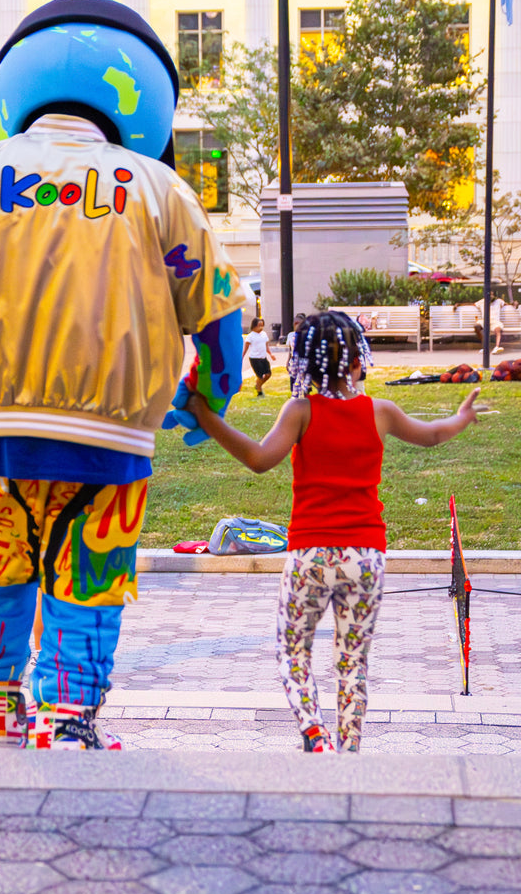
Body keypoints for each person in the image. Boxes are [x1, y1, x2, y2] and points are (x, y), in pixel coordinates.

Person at [0, 0, 244, 750]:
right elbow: (216, 311)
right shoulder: (161, 190)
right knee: (90, 579)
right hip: (113, 440)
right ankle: (69, 717)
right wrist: (207, 396)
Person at [187, 311, 480, 754]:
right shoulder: (380, 411)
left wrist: (205, 417)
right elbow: (433, 435)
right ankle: (349, 751)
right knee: (353, 662)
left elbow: (260, 459)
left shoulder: (299, 411)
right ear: (359, 361)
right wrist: (461, 417)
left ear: (305, 362)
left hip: (311, 556)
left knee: (293, 652)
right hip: (366, 557)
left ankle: (314, 735)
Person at [243, 316, 276, 397]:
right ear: (254, 326)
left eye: (262, 325)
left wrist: (271, 354)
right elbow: (246, 348)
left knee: (268, 374)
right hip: (255, 359)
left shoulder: (264, 334)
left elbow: (266, 346)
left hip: (263, 358)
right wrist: (242, 357)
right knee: (260, 376)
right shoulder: (250, 336)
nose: (261, 327)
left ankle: (258, 385)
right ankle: (259, 391)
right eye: (259, 325)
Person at [285, 313, 306, 392]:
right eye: (295, 323)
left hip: (303, 361)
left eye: (299, 323)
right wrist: (287, 362)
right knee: (293, 381)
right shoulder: (291, 335)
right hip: (294, 361)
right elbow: (290, 350)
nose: (296, 325)